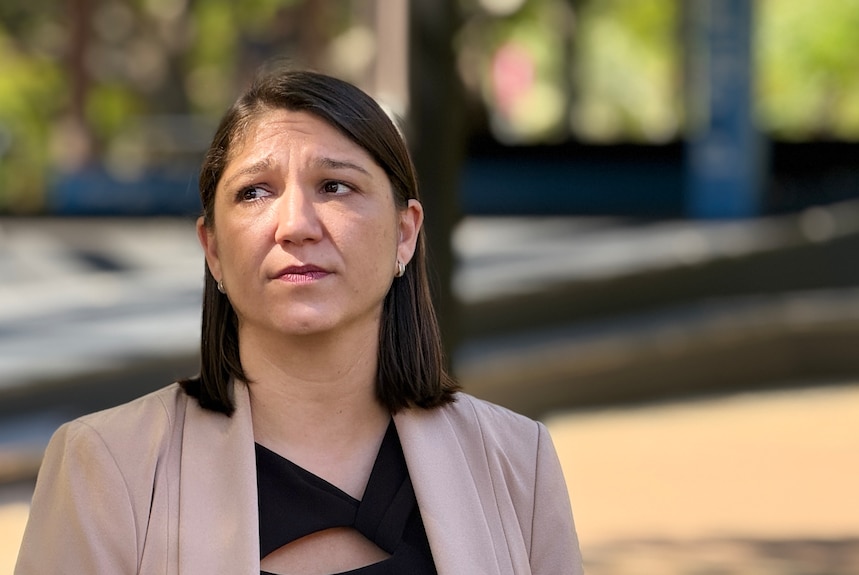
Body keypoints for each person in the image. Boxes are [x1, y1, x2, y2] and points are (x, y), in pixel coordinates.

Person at [15, 68, 582, 575]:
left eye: (335, 186)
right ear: (212, 249)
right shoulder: (106, 466)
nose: (295, 226)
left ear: (405, 233)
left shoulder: (515, 460)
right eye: (255, 192)